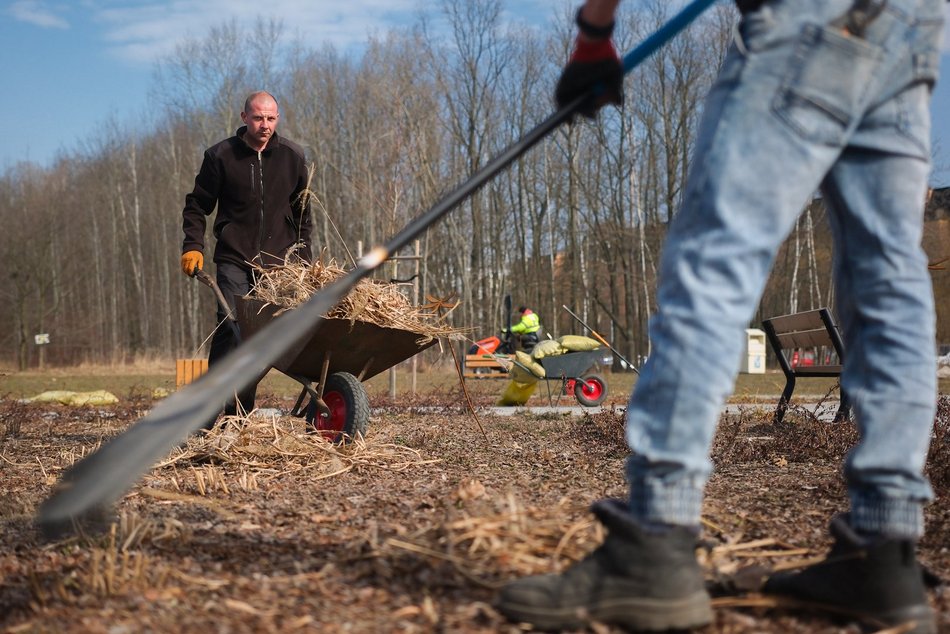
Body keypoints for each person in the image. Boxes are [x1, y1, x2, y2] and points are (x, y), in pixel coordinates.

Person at [496, 1, 943, 632]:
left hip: (805, 26)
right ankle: (884, 548)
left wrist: (594, 33)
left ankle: (656, 536)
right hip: (910, 31)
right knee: (888, 283)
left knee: (714, 262)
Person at [180, 90, 312, 421]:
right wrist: (193, 245)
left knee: (260, 337)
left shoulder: (293, 157)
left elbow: (303, 215)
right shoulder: (220, 156)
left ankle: (240, 411)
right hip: (234, 257)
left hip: (278, 264)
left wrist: (305, 261)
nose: (264, 125)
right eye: (257, 118)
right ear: (244, 118)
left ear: (277, 119)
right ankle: (210, 409)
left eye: (270, 118)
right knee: (232, 326)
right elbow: (197, 205)